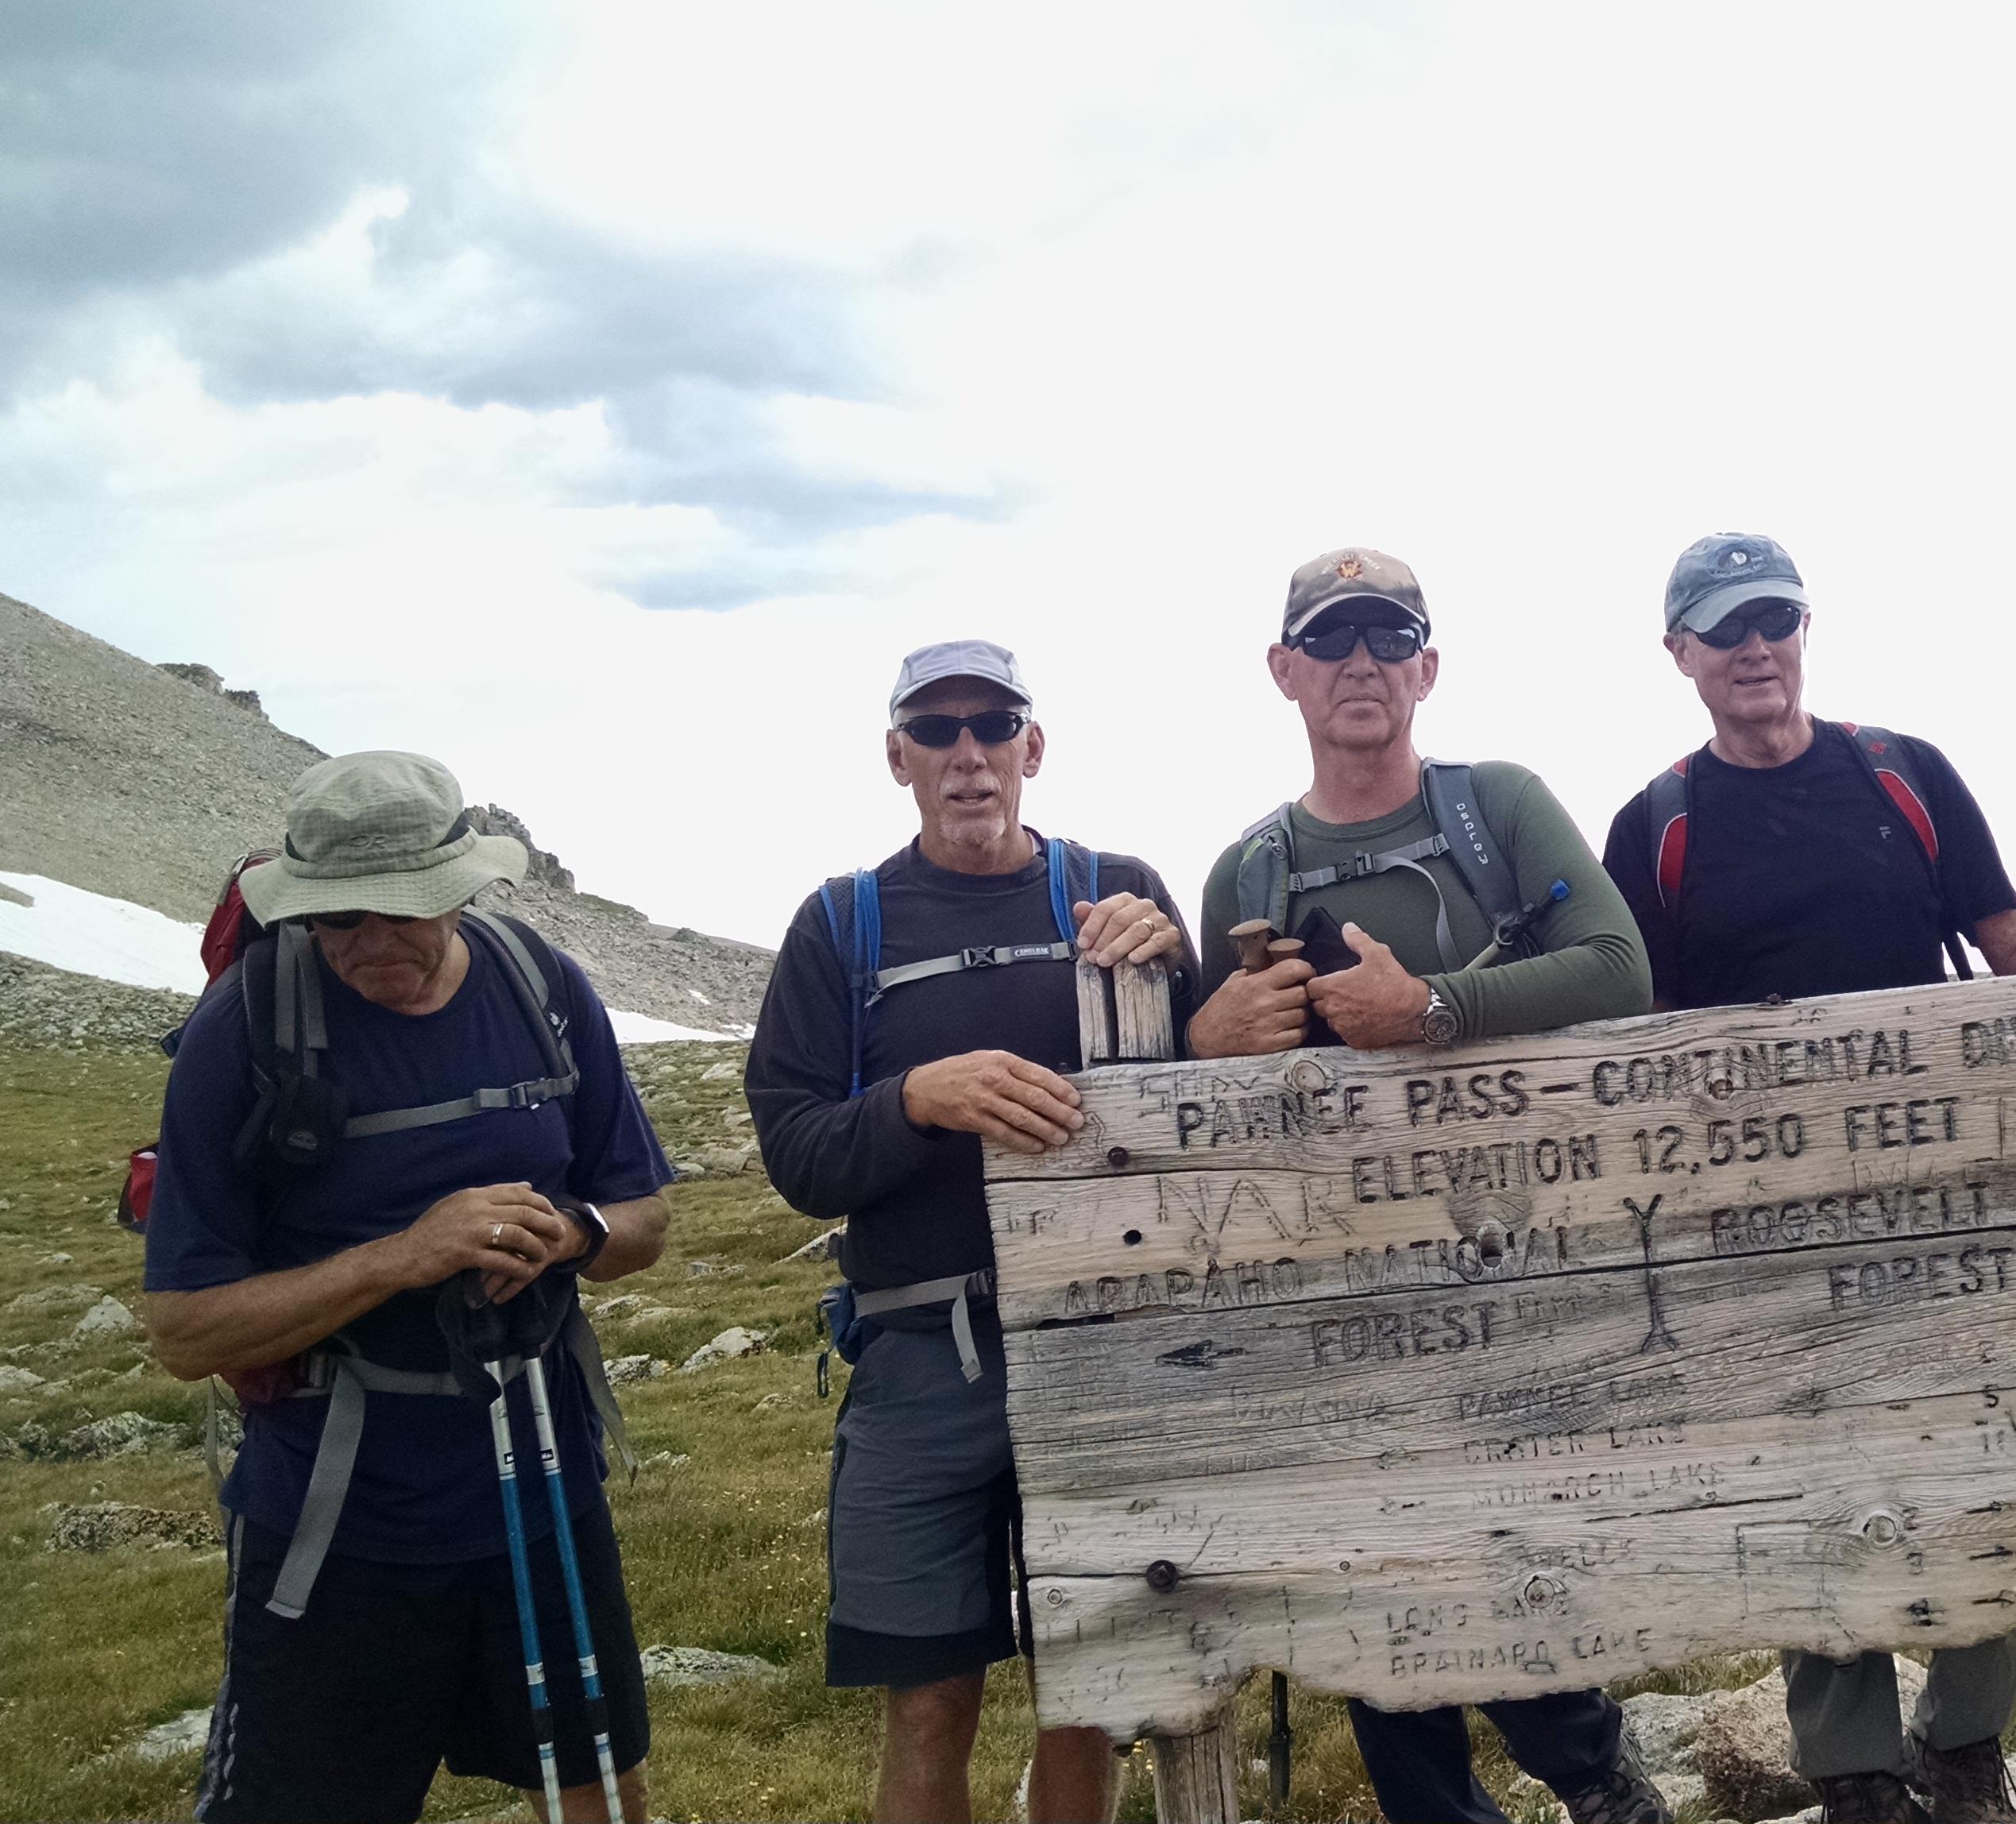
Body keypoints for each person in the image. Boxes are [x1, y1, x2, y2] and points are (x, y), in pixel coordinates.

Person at [1597, 533, 2016, 1824]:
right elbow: (1642, 1048)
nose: (1754, 647)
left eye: (1773, 617)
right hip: (1761, 1226)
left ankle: (1966, 1743)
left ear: (1806, 625)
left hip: (1949, 1198)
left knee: (1975, 1454)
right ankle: (1852, 1773)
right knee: (1807, 1479)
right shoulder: (1653, 825)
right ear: (1681, 655)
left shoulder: (1906, 774)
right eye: (1725, 629)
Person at [1187, 547, 1668, 1824]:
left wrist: (1434, 1008)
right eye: (1333, 640)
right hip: (1337, 1280)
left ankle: (1594, 1776)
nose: (1362, 664)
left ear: (1428, 669)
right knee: (1374, 1570)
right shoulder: (1244, 871)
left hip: (1524, 1258)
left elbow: (1620, 968)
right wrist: (1207, 1039)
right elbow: (1208, 1090)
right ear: (1284, 672)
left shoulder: (1498, 807)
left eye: (1389, 639)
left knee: (1515, 1539)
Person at [144, 751, 674, 1824]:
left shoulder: (545, 990)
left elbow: (643, 1220)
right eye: (338, 918)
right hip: (339, 1523)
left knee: (602, 1796)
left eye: (404, 910)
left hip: (541, 1487)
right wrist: (406, 1255)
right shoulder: (242, 1030)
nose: (372, 942)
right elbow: (186, 1329)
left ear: (460, 888)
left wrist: (572, 1234)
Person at [747, 640, 1195, 1824]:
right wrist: (913, 1102)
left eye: (992, 726)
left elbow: (1203, 1106)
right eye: (935, 732)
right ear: (897, 757)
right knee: (931, 1700)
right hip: (917, 1360)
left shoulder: (1117, 889)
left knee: (1084, 1688)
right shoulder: (840, 926)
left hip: (1098, 1348)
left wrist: (1181, 971)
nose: (967, 755)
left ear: (1032, 748)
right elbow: (795, 1152)